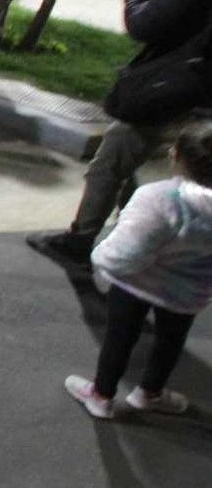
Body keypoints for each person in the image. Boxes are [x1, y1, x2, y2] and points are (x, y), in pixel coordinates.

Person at [29, 0, 212, 264]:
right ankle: (143, 238)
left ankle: (83, 240)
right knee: (158, 173)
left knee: (111, 165)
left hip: (167, 95)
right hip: (193, 95)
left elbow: (144, 24)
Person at [64, 122, 212, 420]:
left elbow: (122, 255)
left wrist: (99, 257)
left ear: (176, 155)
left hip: (135, 284)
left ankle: (101, 396)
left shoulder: (159, 199)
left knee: (120, 336)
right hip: (188, 293)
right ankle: (150, 393)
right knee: (171, 341)